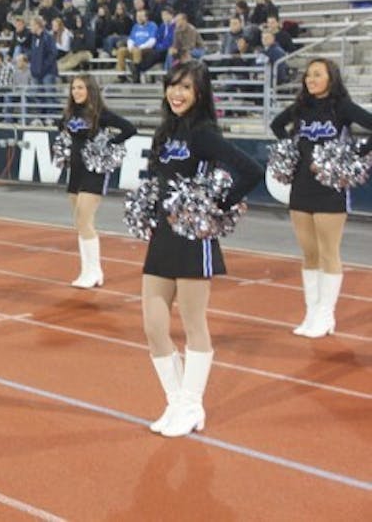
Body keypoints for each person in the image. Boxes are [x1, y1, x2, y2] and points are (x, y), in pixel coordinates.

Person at [143, 62, 262, 437]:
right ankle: (176, 401)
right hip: (163, 235)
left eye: (186, 89)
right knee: (153, 326)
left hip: (195, 237)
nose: (177, 94)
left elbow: (251, 171)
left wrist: (217, 204)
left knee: (194, 324)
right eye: (173, 86)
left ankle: (192, 405)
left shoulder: (204, 133)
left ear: (199, 94)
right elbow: (155, 179)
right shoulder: (164, 132)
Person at [270, 58, 372, 338]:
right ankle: (311, 313)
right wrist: (291, 148)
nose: (310, 79)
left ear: (331, 78)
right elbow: (277, 125)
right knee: (309, 253)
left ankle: (327, 315)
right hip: (301, 186)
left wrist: (351, 155)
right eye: (308, 75)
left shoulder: (341, 107)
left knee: (329, 252)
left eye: (317, 74)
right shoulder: (302, 108)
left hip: (330, 188)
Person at [59, 75, 136, 288]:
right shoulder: (69, 114)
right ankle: (90, 270)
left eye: (81, 87)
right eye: (73, 88)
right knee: (80, 222)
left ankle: (93, 271)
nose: (76, 91)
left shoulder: (100, 114)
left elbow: (129, 129)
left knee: (84, 219)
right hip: (75, 171)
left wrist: (109, 143)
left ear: (90, 90)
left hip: (94, 172)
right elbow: (62, 132)